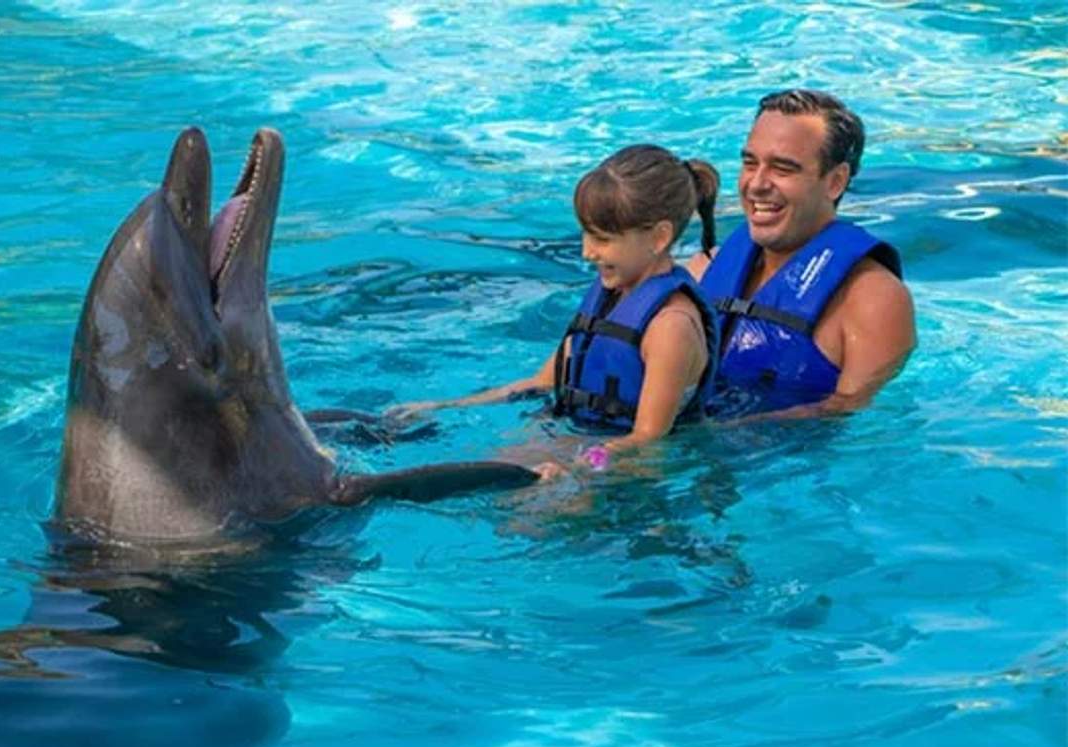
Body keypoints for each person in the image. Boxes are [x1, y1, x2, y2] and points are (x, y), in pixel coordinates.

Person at [391, 145, 721, 473]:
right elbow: (541, 383)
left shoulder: (670, 326)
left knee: (518, 512)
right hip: (579, 442)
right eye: (584, 234)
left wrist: (579, 466)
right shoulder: (611, 297)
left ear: (659, 237)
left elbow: (649, 439)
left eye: (601, 239)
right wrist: (444, 406)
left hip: (628, 474)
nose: (586, 252)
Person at [687, 89, 916, 419]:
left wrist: (705, 441)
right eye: (750, 163)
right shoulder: (702, 271)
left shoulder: (873, 301)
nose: (756, 185)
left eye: (782, 169)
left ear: (835, 182)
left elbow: (856, 420)